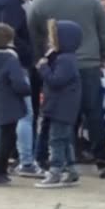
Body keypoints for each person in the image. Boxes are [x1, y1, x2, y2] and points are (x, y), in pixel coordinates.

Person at [28, 0, 105, 169]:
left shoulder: (39, 2)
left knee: (57, 111)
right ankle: (101, 156)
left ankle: (59, 155)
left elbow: (34, 36)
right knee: (93, 110)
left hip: (56, 64)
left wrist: (41, 60)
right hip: (88, 63)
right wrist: (104, 56)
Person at [0, 0, 41, 177]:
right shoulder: (9, 1)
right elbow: (11, 33)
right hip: (15, 62)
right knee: (24, 113)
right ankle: (26, 160)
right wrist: (31, 55)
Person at [35, 19, 83, 189]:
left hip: (60, 107)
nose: (49, 41)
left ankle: (55, 171)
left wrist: (43, 68)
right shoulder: (65, 58)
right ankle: (70, 170)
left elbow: (56, 81)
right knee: (64, 139)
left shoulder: (64, 60)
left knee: (56, 139)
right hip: (61, 107)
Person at [0, 24, 33, 185]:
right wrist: (27, 90)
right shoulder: (9, 58)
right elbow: (18, 82)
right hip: (10, 101)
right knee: (9, 137)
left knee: (4, 135)